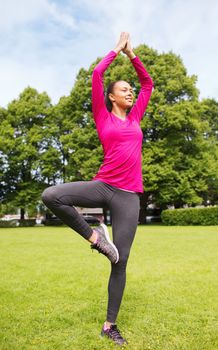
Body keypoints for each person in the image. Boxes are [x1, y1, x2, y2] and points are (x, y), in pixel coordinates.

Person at [41, 32, 153, 346]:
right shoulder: (103, 117)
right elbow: (97, 74)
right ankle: (95, 238)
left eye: (130, 89)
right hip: (103, 186)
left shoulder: (135, 119)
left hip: (129, 196)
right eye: (124, 89)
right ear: (112, 97)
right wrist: (117, 49)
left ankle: (109, 326)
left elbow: (148, 84)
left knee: (121, 261)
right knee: (52, 195)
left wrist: (133, 56)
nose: (130, 92)